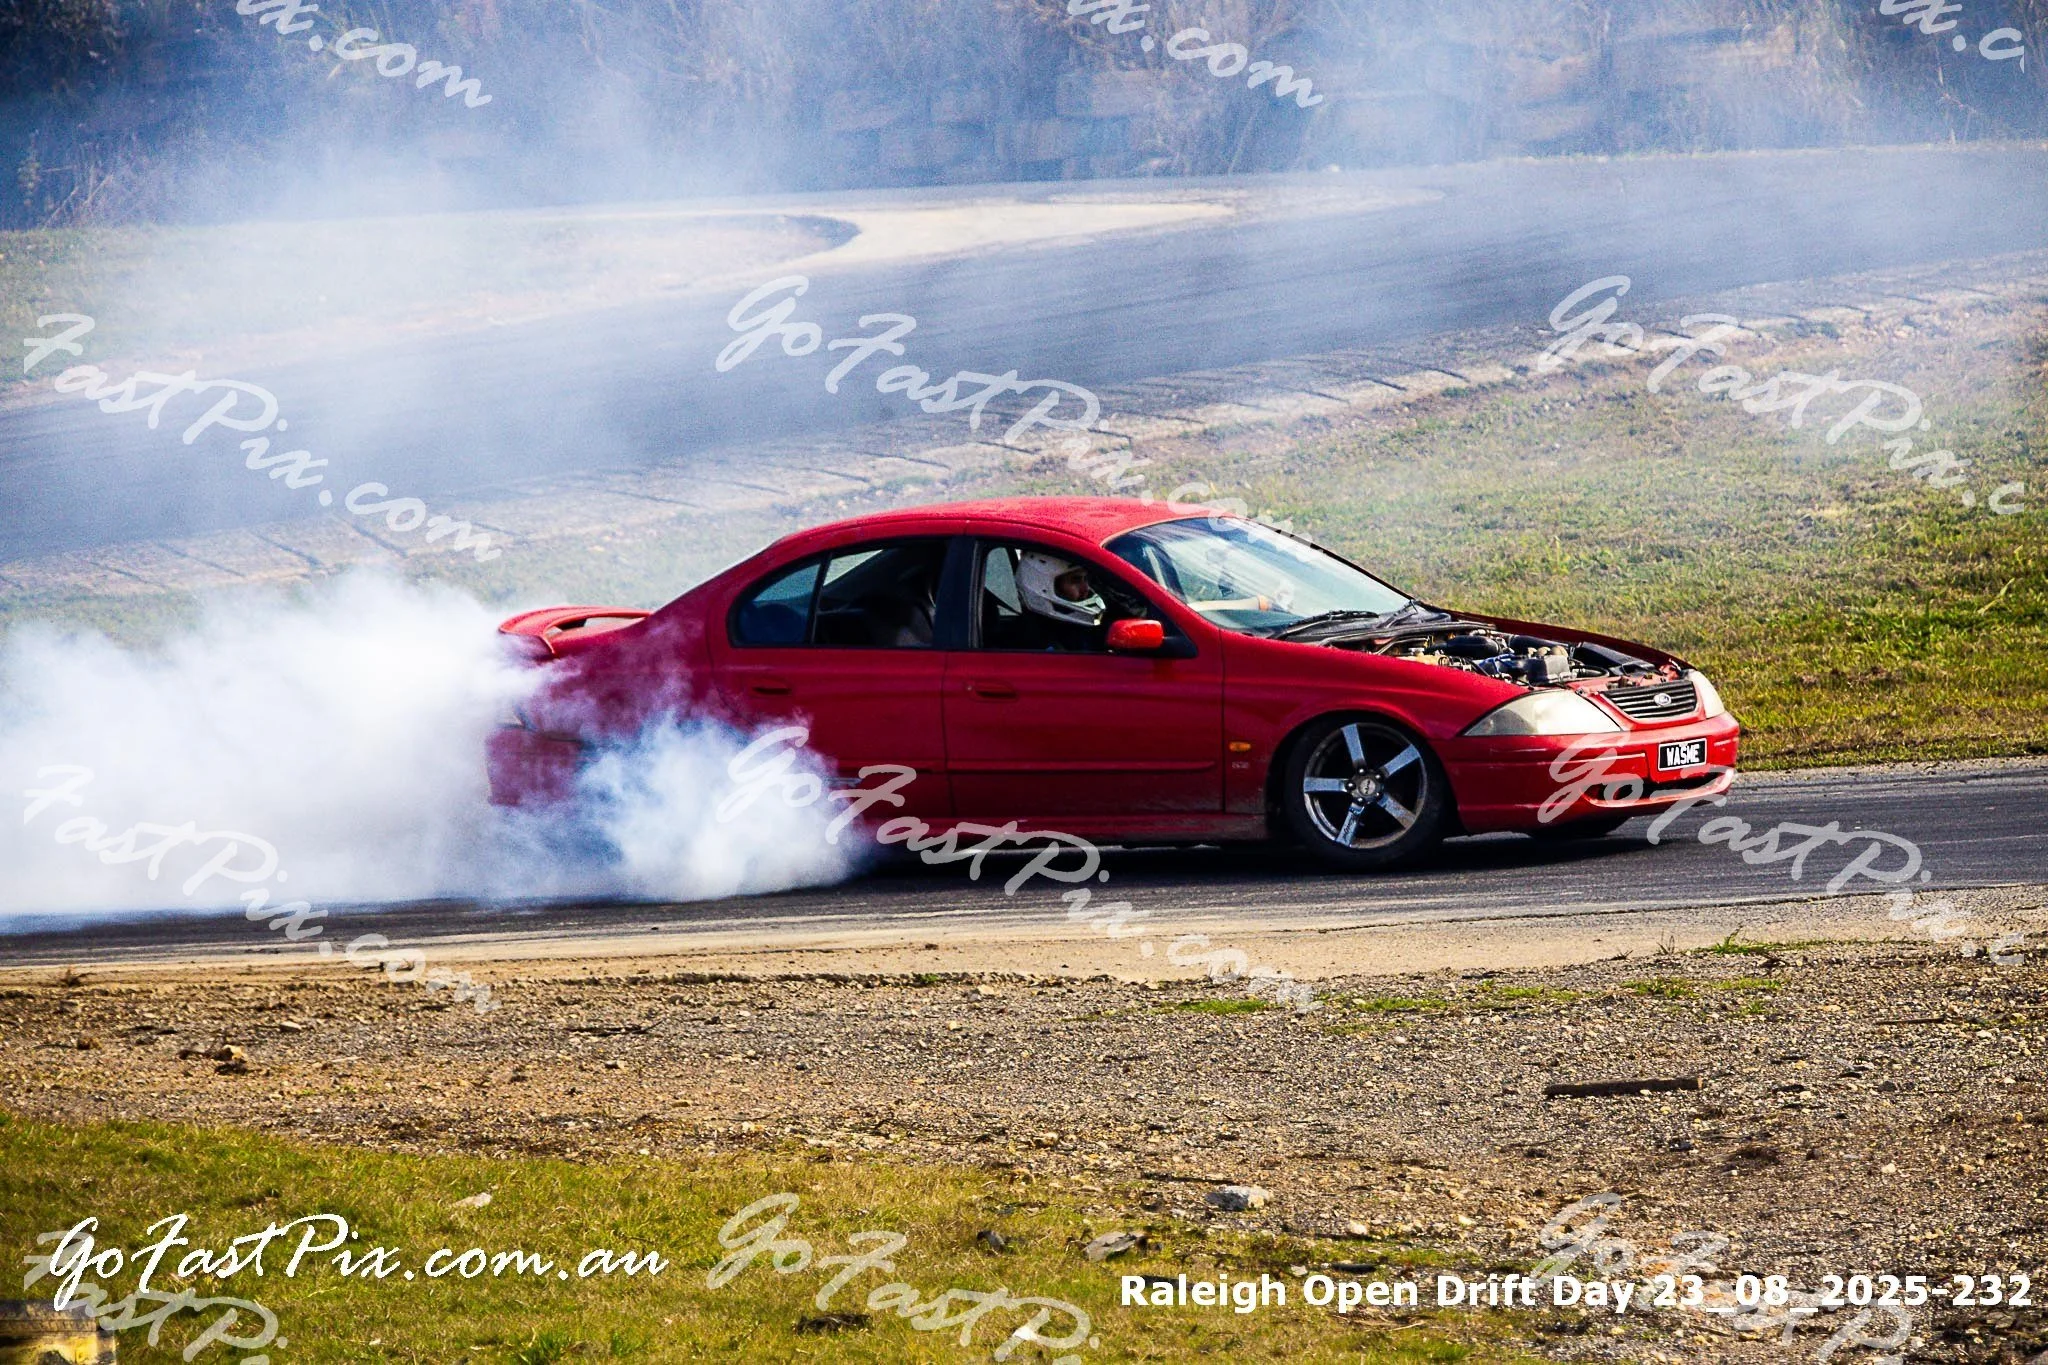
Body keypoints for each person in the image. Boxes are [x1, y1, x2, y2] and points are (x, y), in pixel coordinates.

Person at [1014, 551, 1109, 650]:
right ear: (1041, 585)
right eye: (1075, 580)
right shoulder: (1034, 641)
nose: (1086, 588)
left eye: (1085, 579)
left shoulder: (1073, 628)